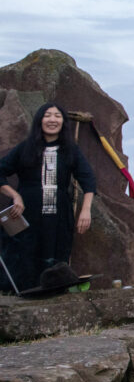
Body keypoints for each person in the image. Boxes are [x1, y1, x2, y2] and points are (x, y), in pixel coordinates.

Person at [0, 102, 96, 293]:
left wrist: (86, 210)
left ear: (63, 122)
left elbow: (88, 179)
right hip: (26, 213)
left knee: (56, 254)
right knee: (24, 254)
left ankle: (55, 296)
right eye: (47, 115)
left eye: (57, 116)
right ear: (39, 120)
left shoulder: (71, 150)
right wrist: (15, 195)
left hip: (59, 215)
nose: (52, 119)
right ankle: (22, 296)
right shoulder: (25, 148)